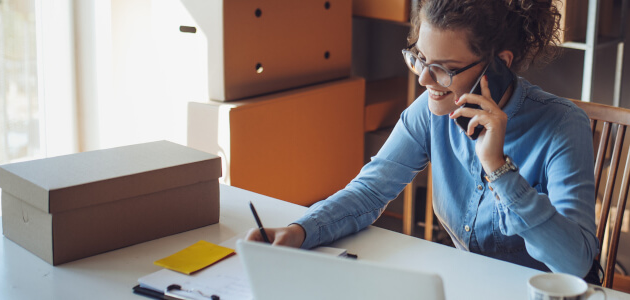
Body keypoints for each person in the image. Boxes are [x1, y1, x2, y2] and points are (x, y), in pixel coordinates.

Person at [247, 0, 601, 281]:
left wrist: (499, 169)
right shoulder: (430, 112)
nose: (424, 80)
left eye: (445, 68)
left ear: (500, 65)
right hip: (465, 285)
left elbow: (574, 264)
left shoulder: (561, 125)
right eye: (419, 59)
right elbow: (369, 192)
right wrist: (300, 231)